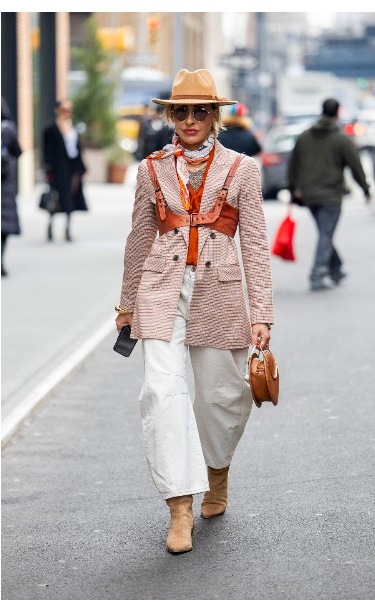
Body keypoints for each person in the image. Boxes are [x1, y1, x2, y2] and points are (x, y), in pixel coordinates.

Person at [116, 68, 274, 555]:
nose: (189, 119)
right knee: (161, 392)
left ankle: (217, 470)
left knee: (222, 397)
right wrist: (125, 304)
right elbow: (140, 238)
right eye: (180, 110)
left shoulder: (242, 169)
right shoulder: (150, 169)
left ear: (215, 116)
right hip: (160, 289)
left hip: (220, 291)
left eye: (199, 110)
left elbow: (256, 244)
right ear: (169, 115)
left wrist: (261, 314)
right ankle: (179, 506)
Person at [287, 98, 371, 291]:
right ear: (337, 113)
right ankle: (317, 274)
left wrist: (292, 189)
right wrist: (365, 188)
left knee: (325, 233)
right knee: (326, 234)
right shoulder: (341, 139)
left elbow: (293, 165)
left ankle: (336, 269)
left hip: (309, 196)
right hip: (331, 196)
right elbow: (355, 166)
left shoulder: (304, 137)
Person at [41, 99, 87, 241]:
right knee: (55, 198)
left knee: (70, 199)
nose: (67, 113)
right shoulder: (50, 130)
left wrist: (81, 168)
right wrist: (48, 169)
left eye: (69, 110)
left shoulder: (73, 129)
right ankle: (50, 224)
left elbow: (77, 150)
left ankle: (67, 228)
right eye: (64, 110)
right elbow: (46, 151)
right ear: (57, 110)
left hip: (72, 168)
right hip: (57, 169)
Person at [1, 97, 22, 276]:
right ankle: (0, 261)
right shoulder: (8, 129)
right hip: (5, 183)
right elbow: (18, 151)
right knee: (3, 227)